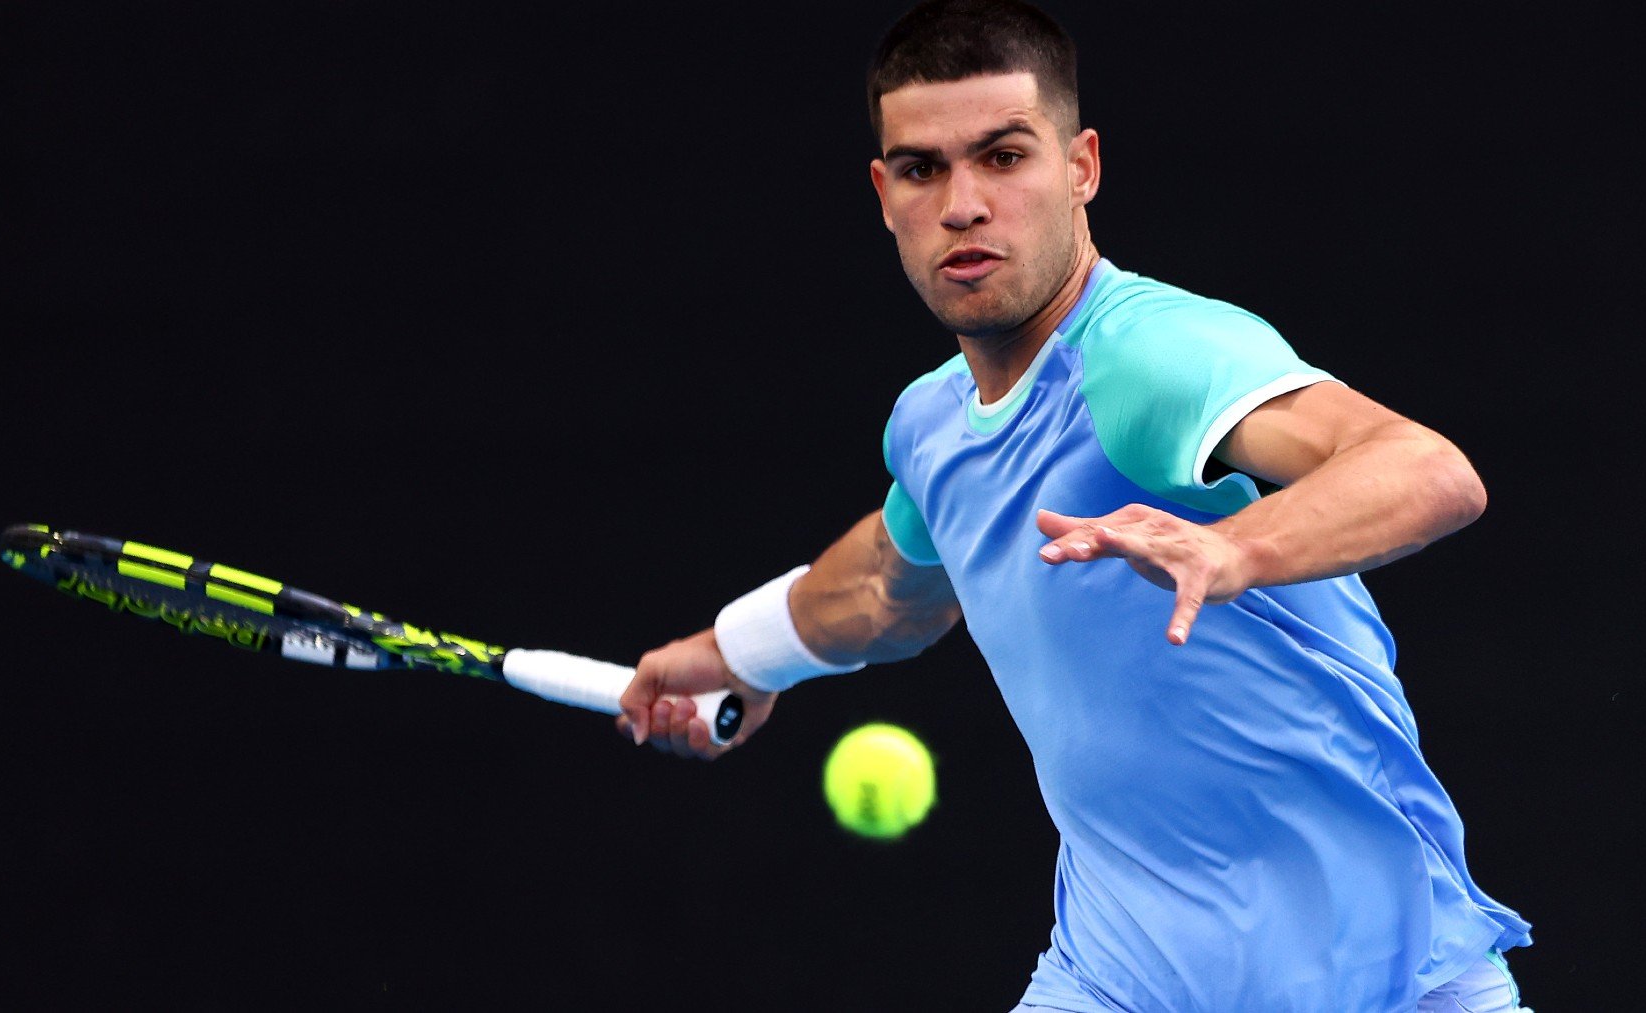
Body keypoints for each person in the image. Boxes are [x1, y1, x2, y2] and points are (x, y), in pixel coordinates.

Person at [616, 1, 1533, 1009]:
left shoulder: (1149, 354)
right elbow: (889, 587)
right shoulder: (930, 426)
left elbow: (1428, 467)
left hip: (1387, 982)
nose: (963, 203)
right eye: (924, 169)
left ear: (1082, 166)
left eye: (1004, 157)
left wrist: (1232, 550)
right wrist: (740, 650)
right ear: (884, 193)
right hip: (1116, 978)